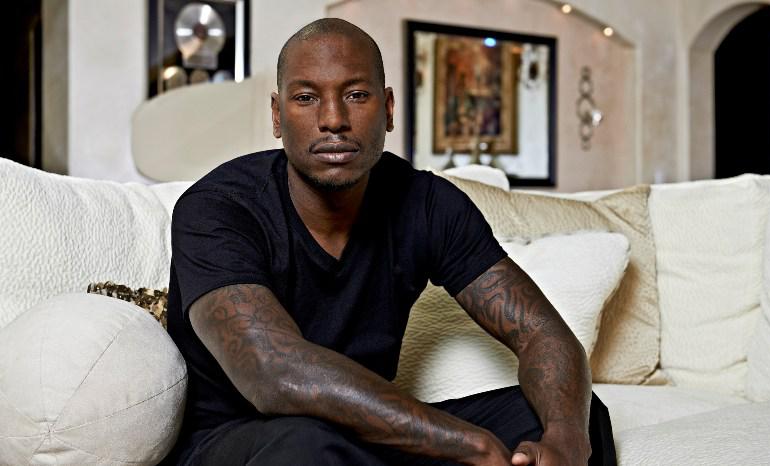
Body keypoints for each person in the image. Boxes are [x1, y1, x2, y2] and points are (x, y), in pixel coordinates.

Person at [165, 18, 616, 466]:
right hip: (240, 442)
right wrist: (465, 443)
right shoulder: (217, 209)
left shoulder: (427, 204)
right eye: (306, 98)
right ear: (278, 115)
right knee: (307, 445)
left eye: (356, 95)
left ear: (388, 109)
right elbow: (272, 372)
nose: (333, 120)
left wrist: (566, 440)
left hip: (368, 437)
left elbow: (541, 333)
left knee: (571, 416)